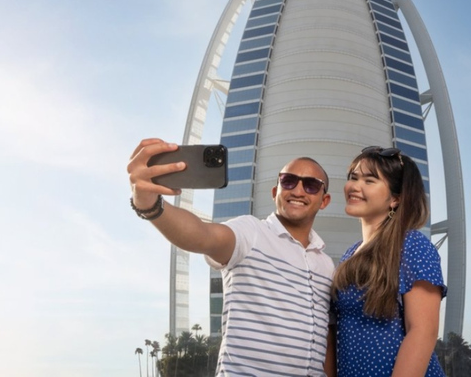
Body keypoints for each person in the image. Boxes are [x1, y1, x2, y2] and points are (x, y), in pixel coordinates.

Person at [127, 138, 335, 377]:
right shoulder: (251, 233)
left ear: (324, 201)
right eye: (289, 181)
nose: (298, 190)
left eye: (311, 185)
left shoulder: (326, 266)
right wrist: (149, 204)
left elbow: (326, 338)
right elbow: (203, 235)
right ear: (276, 192)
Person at [327, 146, 447, 377]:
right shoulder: (350, 254)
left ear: (395, 199)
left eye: (369, 181)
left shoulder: (412, 245)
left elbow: (422, 332)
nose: (354, 186)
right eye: (353, 178)